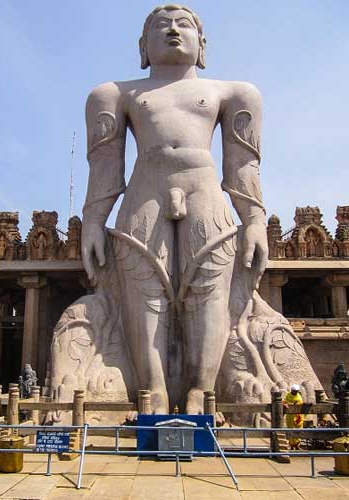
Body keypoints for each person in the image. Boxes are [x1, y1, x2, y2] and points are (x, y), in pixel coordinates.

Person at [81, 5, 268, 414]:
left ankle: (202, 391)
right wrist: (93, 222)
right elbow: (104, 165)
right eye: (160, 26)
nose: (172, 30)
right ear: (142, 47)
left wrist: (254, 220)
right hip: (146, 191)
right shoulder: (114, 93)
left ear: (202, 45)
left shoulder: (234, 92)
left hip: (205, 193)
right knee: (143, 288)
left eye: (184, 24)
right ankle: (154, 392)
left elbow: (244, 164)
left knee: (209, 289)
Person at [284, 384, 303, 450]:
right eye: (294, 391)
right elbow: (284, 401)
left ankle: (297, 444)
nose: (295, 392)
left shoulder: (299, 395)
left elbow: (301, 403)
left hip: (297, 415)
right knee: (290, 428)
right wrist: (285, 404)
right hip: (290, 416)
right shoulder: (288, 395)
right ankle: (291, 444)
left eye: (296, 391)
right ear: (292, 390)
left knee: (298, 429)